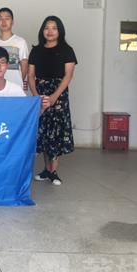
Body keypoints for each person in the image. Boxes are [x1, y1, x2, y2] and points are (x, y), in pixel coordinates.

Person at [28, 15, 77, 186]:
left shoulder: (67, 50)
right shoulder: (36, 50)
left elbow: (68, 75)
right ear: (42, 30)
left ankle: (54, 171)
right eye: (47, 28)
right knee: (43, 132)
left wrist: (54, 97)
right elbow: (31, 75)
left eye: (54, 28)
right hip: (40, 93)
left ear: (60, 31)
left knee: (56, 132)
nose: (50, 31)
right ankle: (46, 170)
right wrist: (36, 96)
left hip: (59, 95)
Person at [0, 7, 29, 90]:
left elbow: (24, 65)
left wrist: (19, 81)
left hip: (15, 86)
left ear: (12, 22)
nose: (4, 22)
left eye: (7, 18)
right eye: (0, 19)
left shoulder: (20, 42)